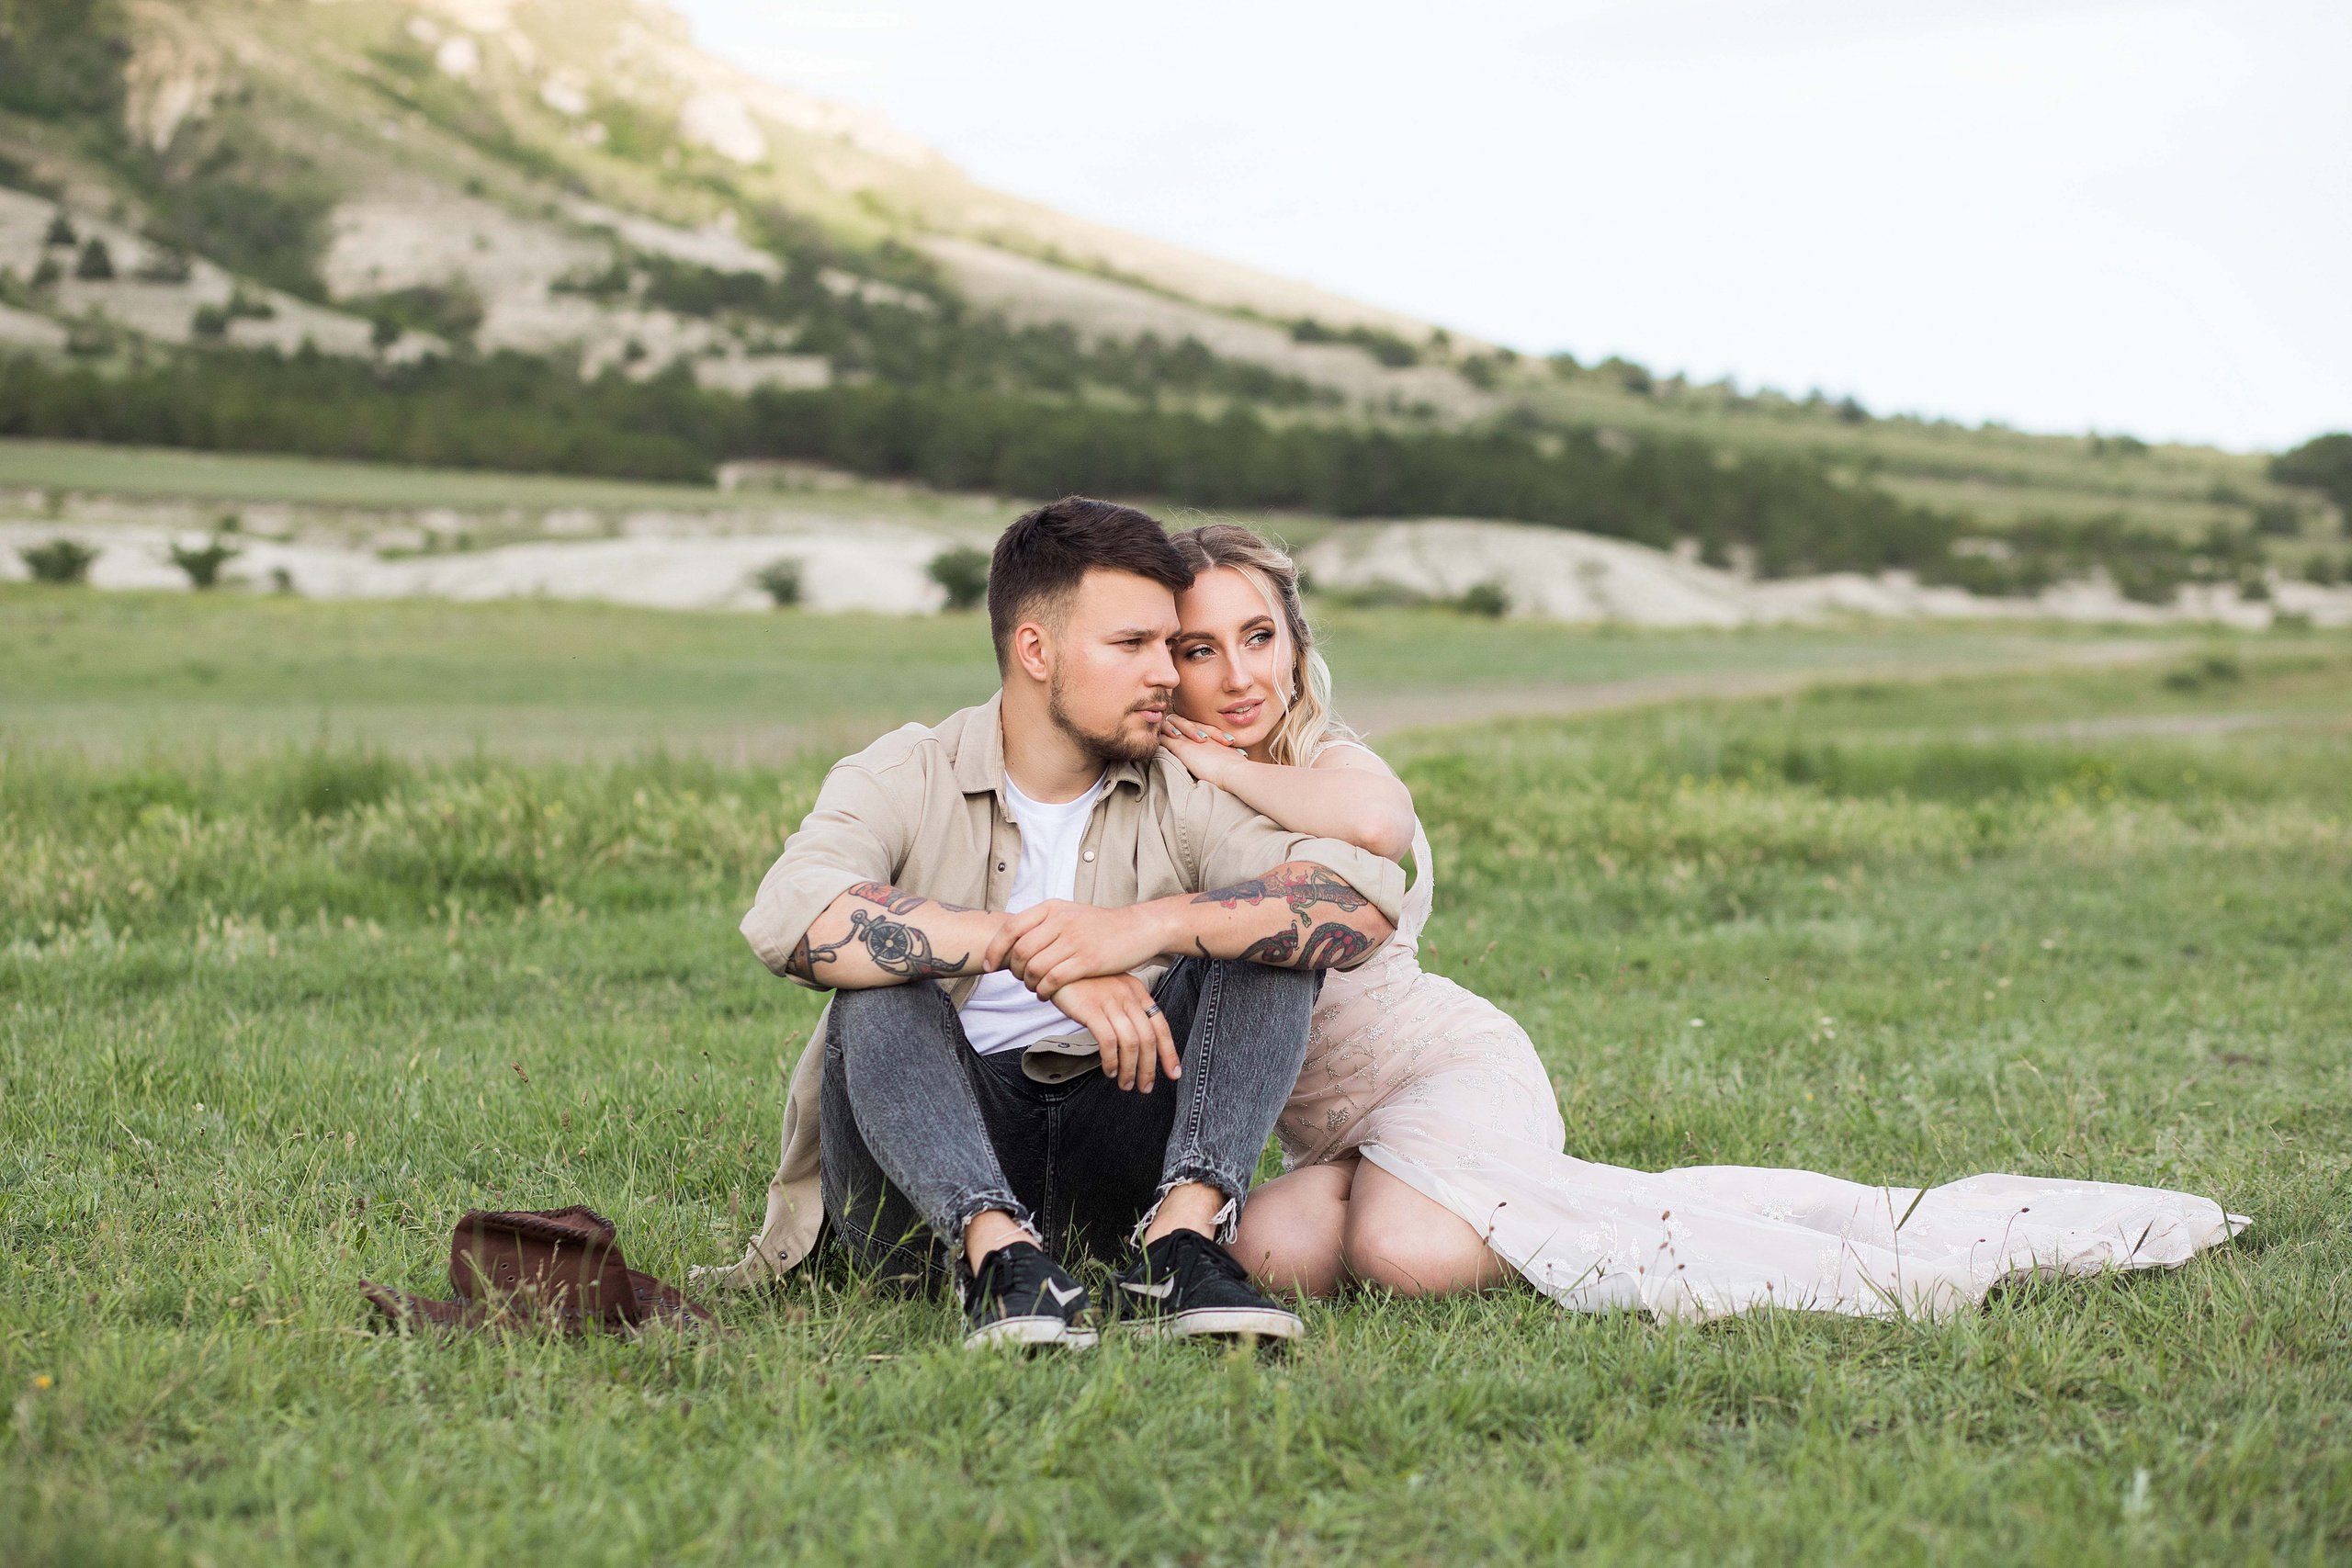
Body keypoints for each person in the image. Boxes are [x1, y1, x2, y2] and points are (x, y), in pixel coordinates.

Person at [1156, 523, 2245, 1318]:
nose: (1239, 674)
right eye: (1201, 650)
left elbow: (1374, 820)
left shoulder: (1330, 762)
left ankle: (1517, 1203)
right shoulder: (1159, 796)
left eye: (1259, 637)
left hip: (1444, 1070)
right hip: (1331, 1129)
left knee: (1406, 1257)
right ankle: (1447, 1198)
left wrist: (1216, 761)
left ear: (1294, 641)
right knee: (1273, 1253)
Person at [709, 498, 1403, 1350]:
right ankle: (997, 1258)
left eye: (1166, 644)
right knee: (881, 981)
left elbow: (1358, 897)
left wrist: (1148, 927)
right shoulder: (909, 771)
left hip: (1119, 1152)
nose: (1166, 673)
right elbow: (791, 911)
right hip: (919, 1197)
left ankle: (1178, 1246)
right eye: (1134, 645)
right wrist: (1030, 949)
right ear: (1035, 649)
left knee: (1262, 930)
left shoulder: (1181, 789)